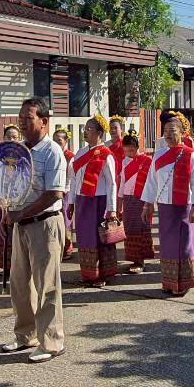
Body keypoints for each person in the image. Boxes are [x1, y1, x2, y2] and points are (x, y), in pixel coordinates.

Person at [0, 98, 68, 363]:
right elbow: (10, 185)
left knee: (46, 286)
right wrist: (8, 212)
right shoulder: (19, 151)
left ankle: (52, 342)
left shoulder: (52, 152)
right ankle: (25, 336)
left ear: (44, 121)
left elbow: (54, 193)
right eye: (21, 118)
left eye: (29, 118)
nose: (23, 123)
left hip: (45, 224)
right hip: (21, 224)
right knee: (20, 285)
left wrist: (21, 213)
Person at [141, 112, 194, 296]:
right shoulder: (159, 155)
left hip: (183, 208)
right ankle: (168, 281)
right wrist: (148, 204)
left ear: (183, 132)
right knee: (167, 245)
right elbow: (151, 181)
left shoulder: (191, 155)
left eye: (172, 130)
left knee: (183, 245)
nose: (168, 134)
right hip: (165, 208)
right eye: (165, 130)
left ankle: (183, 282)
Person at [66, 115, 119, 287]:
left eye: (89, 129)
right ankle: (88, 273)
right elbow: (74, 179)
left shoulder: (106, 155)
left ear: (100, 133)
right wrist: (72, 202)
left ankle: (102, 274)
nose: (85, 132)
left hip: (99, 202)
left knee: (100, 238)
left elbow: (112, 183)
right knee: (84, 239)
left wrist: (112, 209)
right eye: (85, 128)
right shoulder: (81, 152)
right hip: (82, 202)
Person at [118, 130, 154, 274]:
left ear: (138, 147)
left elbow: (151, 183)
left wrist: (150, 202)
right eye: (126, 150)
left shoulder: (147, 161)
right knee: (130, 229)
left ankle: (141, 261)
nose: (129, 153)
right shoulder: (124, 161)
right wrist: (119, 201)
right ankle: (133, 259)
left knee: (141, 228)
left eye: (132, 150)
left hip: (142, 199)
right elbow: (122, 182)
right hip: (128, 199)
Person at [0, 125, 23, 281]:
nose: (11, 140)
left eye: (14, 137)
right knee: (2, 232)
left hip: (17, 201)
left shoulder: (24, 156)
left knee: (16, 234)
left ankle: (17, 267)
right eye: (8, 137)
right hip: (1, 199)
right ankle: (5, 266)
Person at [53, 126, 76, 261]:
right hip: (54, 192)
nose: (57, 144)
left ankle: (67, 248)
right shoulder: (53, 154)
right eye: (55, 140)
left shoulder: (70, 157)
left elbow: (72, 178)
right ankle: (58, 247)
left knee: (66, 221)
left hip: (66, 192)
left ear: (66, 141)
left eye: (60, 141)